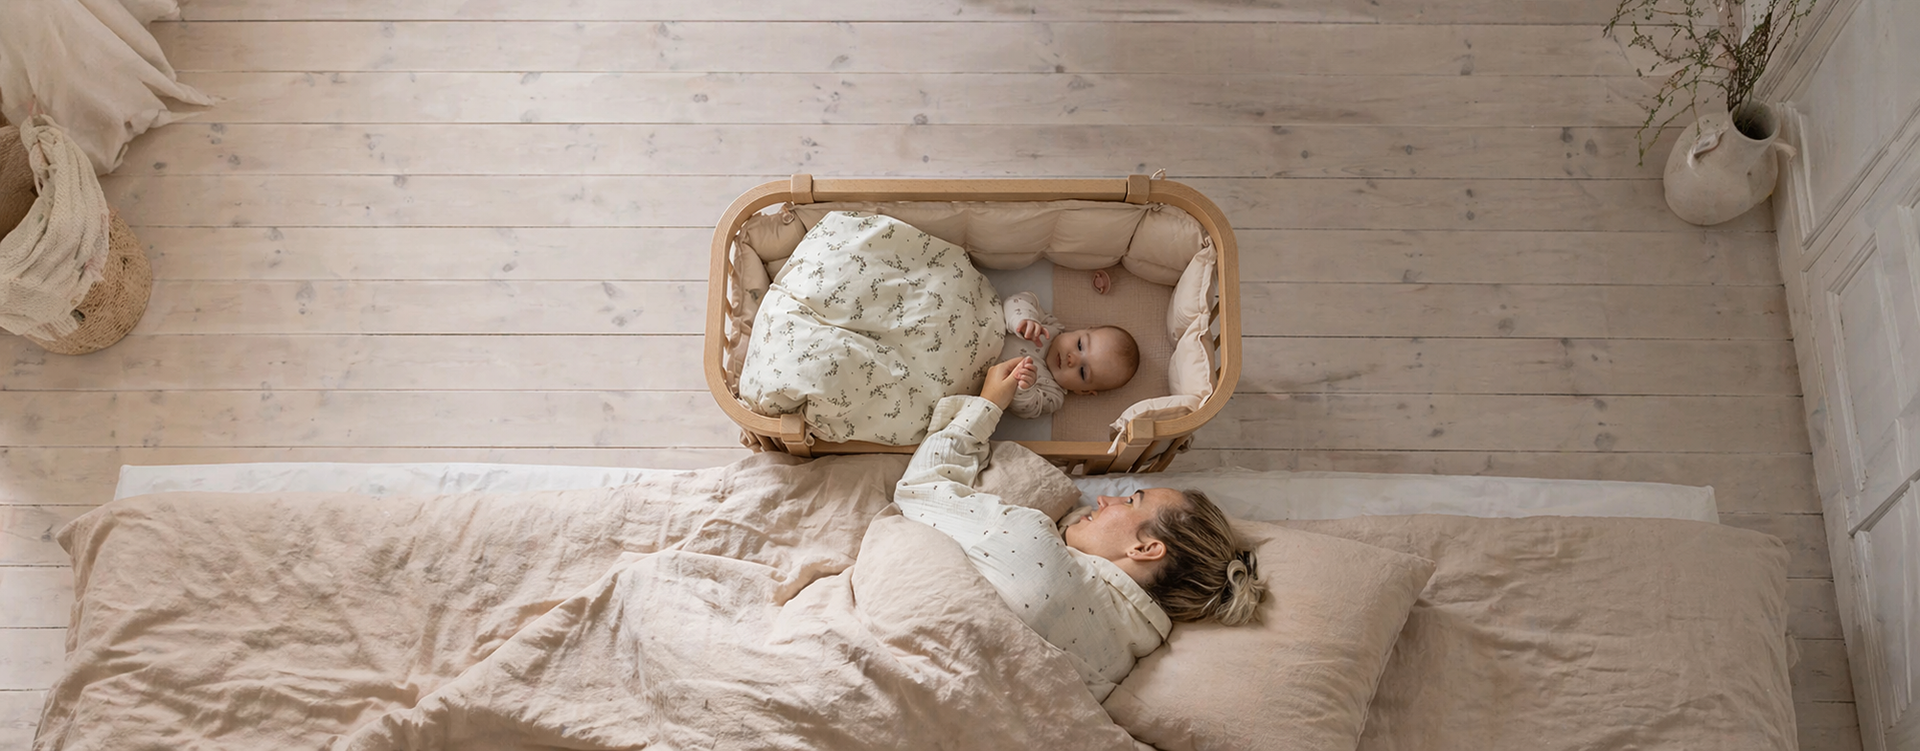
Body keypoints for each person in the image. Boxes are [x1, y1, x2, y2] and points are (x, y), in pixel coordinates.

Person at [892, 358, 1266, 700]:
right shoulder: (1125, 659)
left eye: (1131, 501)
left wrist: (987, 403)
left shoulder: (1034, 545)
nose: (1105, 500)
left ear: (1145, 549)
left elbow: (919, 490)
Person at [998, 270, 1140, 419]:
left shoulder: (1052, 395)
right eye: (1080, 345)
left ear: (1083, 391)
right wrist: (1023, 319)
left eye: (1083, 372)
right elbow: (1020, 300)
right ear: (1084, 329)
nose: (1072, 359)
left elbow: (1026, 408)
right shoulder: (1049, 327)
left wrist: (1024, 388)